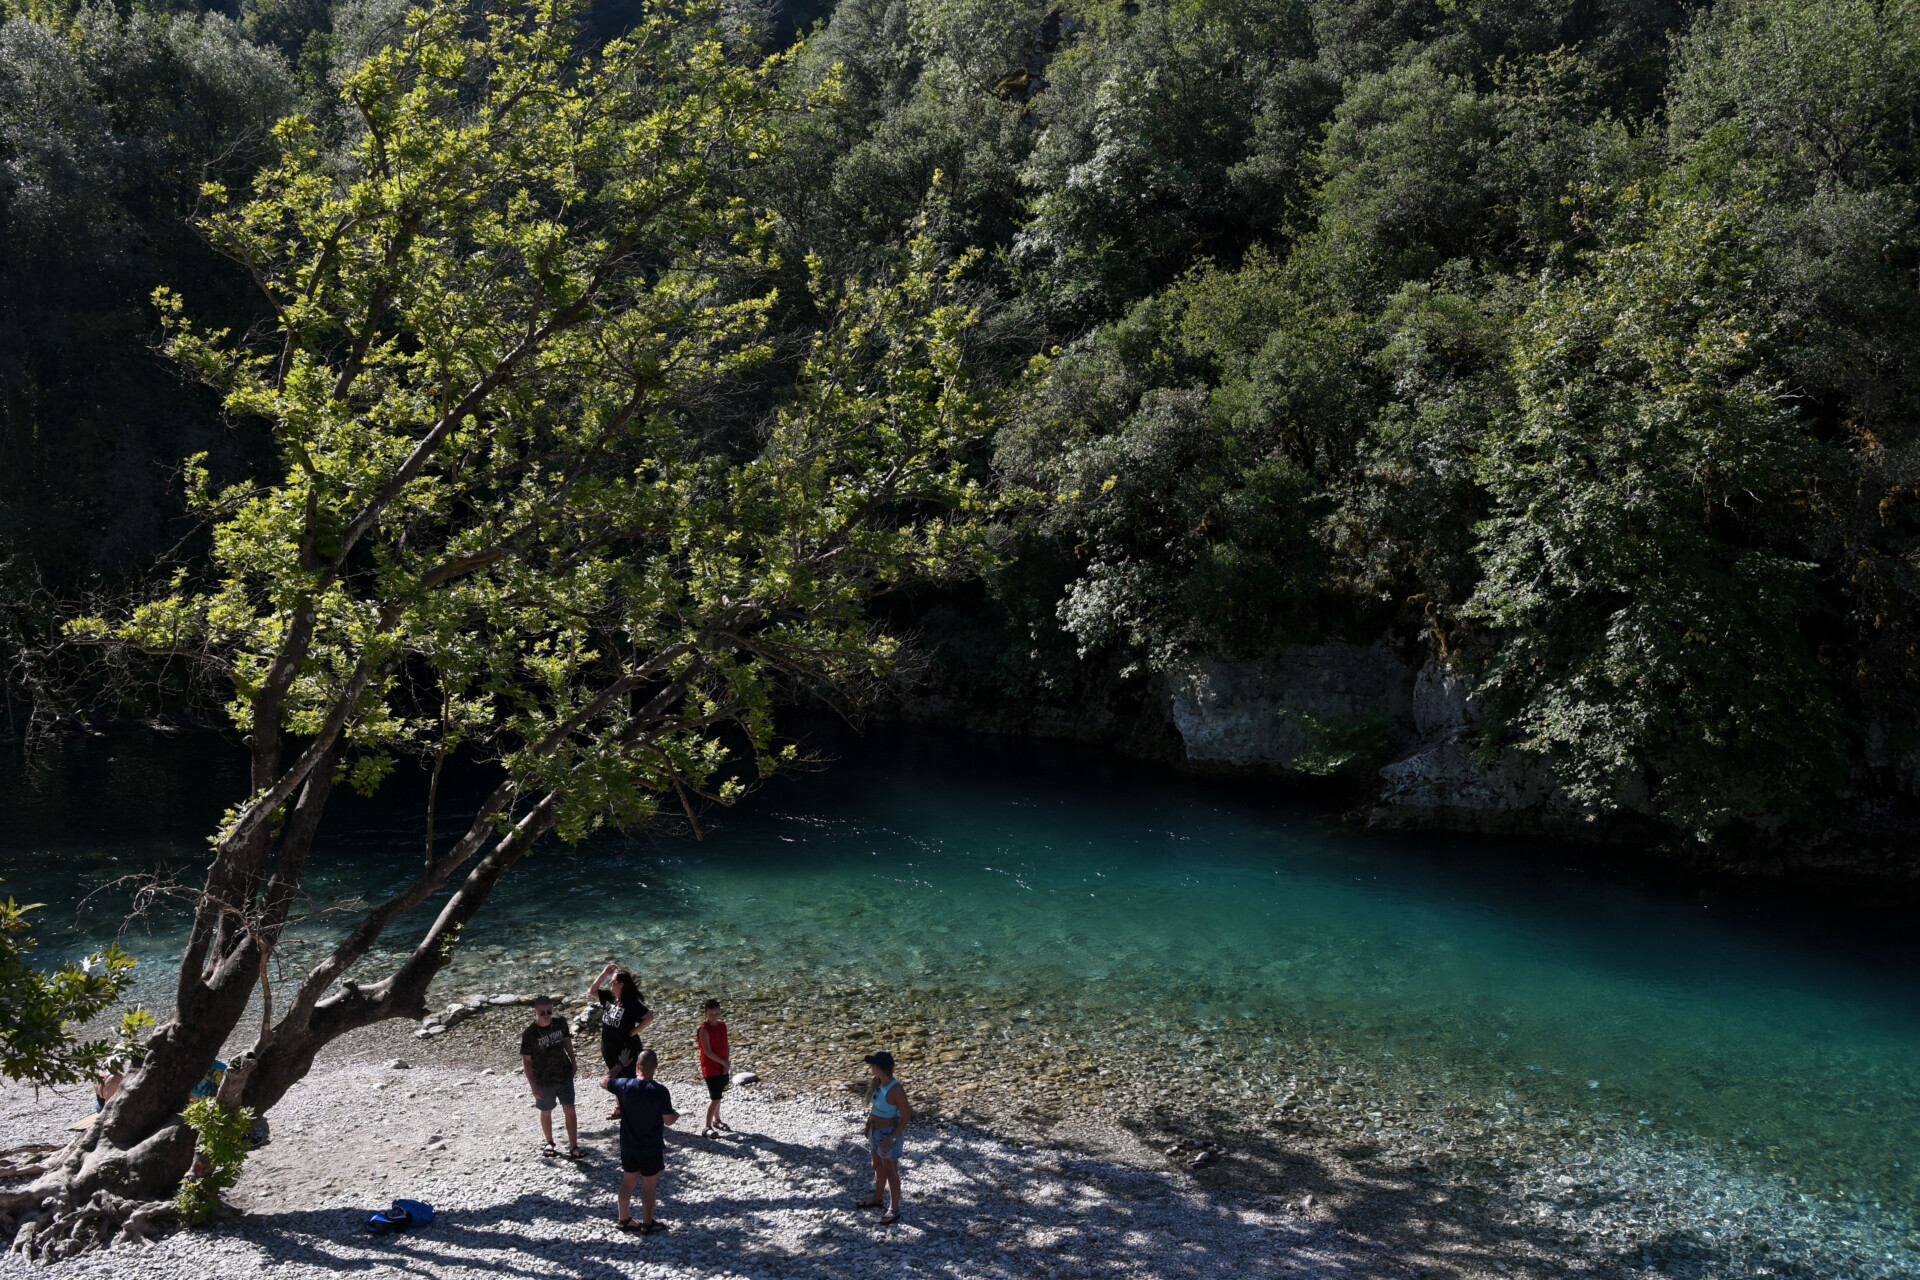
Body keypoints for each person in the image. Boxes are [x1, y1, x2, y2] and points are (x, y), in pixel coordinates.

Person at [603, 1048, 677, 1234]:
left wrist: (620, 1064)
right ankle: (647, 1223)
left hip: (628, 1146)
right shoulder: (660, 1092)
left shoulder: (624, 1085)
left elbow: (604, 1081)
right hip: (651, 1148)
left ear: (637, 1066)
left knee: (628, 1182)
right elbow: (668, 1120)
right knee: (648, 1188)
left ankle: (623, 1220)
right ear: (656, 1067)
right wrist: (676, 1114)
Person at [588, 962, 653, 1118]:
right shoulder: (610, 997)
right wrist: (603, 975)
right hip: (608, 1046)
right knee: (615, 1078)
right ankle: (619, 1107)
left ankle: (633, 1109)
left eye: (613, 980)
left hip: (625, 1048)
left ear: (621, 984)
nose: (610, 982)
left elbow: (649, 1017)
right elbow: (592, 991)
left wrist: (633, 1032)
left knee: (629, 1079)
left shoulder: (630, 1002)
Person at [520, 995, 581, 1159]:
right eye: (542, 1013)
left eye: (549, 1011)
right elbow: (526, 1062)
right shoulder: (529, 1034)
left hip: (564, 1074)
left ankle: (574, 1146)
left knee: (570, 1109)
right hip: (543, 1080)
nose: (546, 1015)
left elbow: (567, 1041)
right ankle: (549, 1142)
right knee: (546, 1111)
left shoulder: (560, 1023)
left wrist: (573, 1061)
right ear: (535, 1012)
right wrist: (533, 1086)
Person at [856, 1051, 910, 1224]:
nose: (870, 1066)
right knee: (877, 1166)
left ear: (878, 1068)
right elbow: (876, 1109)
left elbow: (906, 1116)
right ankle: (878, 1198)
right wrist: (868, 1124)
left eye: (872, 1064)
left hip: (887, 1135)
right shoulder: (878, 1083)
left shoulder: (896, 1089)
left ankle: (894, 1209)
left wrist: (893, 1138)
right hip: (874, 1131)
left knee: (891, 1172)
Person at [695, 998, 731, 1137]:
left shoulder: (722, 1026)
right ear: (705, 1013)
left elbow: (726, 1045)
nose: (714, 1016)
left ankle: (717, 1120)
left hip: (722, 1066)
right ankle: (706, 1127)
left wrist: (726, 1063)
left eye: (716, 1013)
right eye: (711, 1014)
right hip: (710, 1068)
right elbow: (707, 1052)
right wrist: (723, 1063)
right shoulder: (704, 1030)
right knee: (715, 1097)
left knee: (719, 1095)